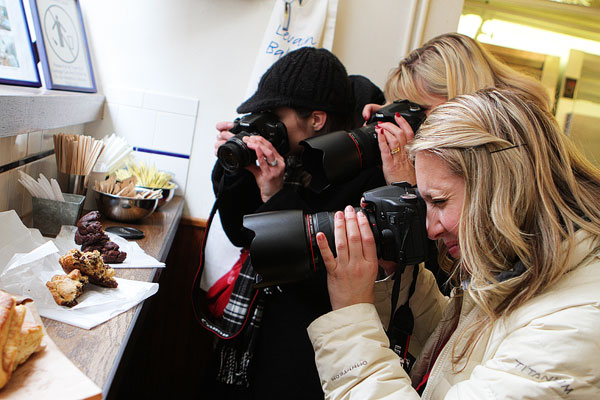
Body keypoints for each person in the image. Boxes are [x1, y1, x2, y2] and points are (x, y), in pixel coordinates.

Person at [308, 88, 600, 399]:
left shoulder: (573, 326)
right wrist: (400, 278)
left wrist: (351, 318)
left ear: (503, 190)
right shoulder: (523, 268)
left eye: (439, 201)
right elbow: (465, 351)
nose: (430, 229)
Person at [202, 47, 387, 399]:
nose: (266, 124)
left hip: (301, 348)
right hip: (250, 336)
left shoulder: (363, 173)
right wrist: (238, 167)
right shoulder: (291, 158)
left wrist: (275, 195)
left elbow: (321, 274)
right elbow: (241, 233)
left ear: (316, 119)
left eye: (274, 116)